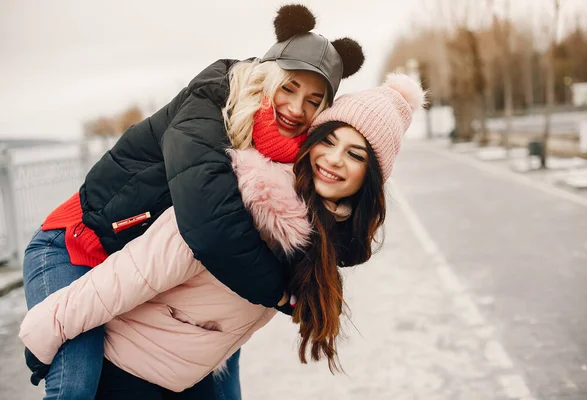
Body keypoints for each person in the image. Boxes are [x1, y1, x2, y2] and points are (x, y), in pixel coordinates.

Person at [20, 4, 364, 400]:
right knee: (77, 381)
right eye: (289, 88)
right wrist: (281, 294)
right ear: (269, 76)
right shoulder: (214, 101)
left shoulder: (290, 152)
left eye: (313, 100)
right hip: (75, 243)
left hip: (144, 269)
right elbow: (210, 222)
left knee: (222, 384)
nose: (296, 108)